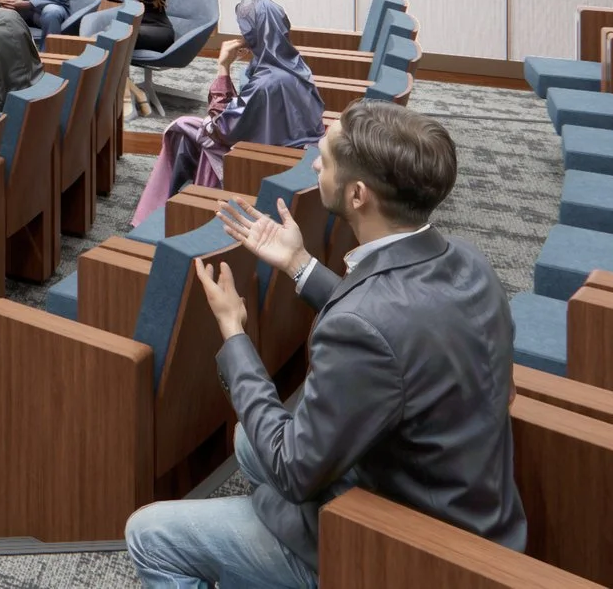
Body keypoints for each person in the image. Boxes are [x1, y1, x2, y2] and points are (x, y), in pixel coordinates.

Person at [125, 100, 522, 588]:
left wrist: (234, 335)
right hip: (467, 505)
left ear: (357, 195)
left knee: (149, 534)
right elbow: (396, 325)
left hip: (409, 550)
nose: (313, 161)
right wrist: (298, 263)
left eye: (326, 159)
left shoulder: (364, 327)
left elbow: (294, 470)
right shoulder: (468, 261)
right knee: (249, 443)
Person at [133, 0, 324, 223]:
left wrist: (223, 68)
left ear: (253, 35)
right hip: (294, 161)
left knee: (184, 130)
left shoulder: (266, 84)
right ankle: (169, 208)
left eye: (245, 31)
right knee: (186, 127)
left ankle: (175, 213)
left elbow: (220, 128)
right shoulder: (296, 67)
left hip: (263, 164)